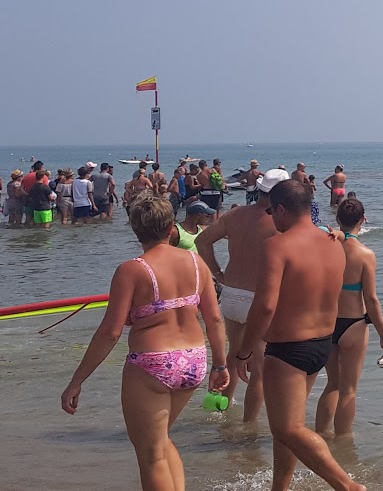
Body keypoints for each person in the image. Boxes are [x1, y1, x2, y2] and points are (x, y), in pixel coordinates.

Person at [60, 194, 229, 491]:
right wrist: (220, 364)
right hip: (194, 359)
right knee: (160, 440)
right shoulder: (195, 262)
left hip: (153, 362)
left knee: (149, 455)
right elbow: (214, 320)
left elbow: (110, 332)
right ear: (170, 228)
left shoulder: (132, 270)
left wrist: (77, 380)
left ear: (135, 229)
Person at [229, 180, 366, 491]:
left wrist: (243, 352)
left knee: (288, 429)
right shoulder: (333, 242)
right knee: (285, 427)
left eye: (271, 212)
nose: (270, 220)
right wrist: (339, 232)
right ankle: (281, 487)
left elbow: (264, 307)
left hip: (288, 349)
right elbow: (343, 237)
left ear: (281, 209)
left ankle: (348, 486)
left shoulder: (277, 245)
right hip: (320, 345)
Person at [196, 167, 290, 422]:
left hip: (231, 293)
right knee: (258, 368)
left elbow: (201, 241)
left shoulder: (235, 214)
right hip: (256, 298)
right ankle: (248, 426)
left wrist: (217, 273)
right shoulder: (281, 222)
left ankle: (218, 409)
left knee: (234, 354)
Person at [315, 198, 383, 436]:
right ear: (363, 220)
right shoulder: (365, 254)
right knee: (349, 390)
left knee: (332, 384)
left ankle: (319, 437)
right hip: (353, 324)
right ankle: (343, 445)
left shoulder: (326, 246)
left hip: (327, 323)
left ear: (338, 220)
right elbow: (371, 299)